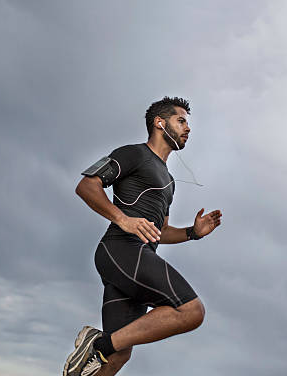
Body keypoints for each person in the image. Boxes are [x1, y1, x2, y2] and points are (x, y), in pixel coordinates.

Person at [63, 97, 222, 376]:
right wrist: (123, 219)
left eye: (187, 123)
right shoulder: (134, 154)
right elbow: (86, 186)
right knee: (191, 311)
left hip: (138, 257)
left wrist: (192, 233)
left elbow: (159, 233)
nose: (188, 128)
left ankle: (102, 348)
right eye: (181, 120)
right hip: (120, 250)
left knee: (119, 356)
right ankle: (98, 343)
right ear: (160, 123)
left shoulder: (169, 181)